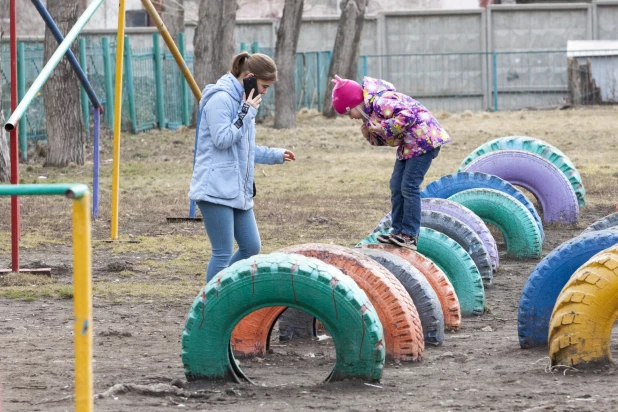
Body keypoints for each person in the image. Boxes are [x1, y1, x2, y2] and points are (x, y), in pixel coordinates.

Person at [190, 52, 296, 282]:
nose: (265, 92)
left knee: (251, 246)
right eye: (264, 86)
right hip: (215, 189)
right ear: (249, 77)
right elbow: (222, 139)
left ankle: (225, 289)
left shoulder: (244, 102)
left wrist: (275, 155)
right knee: (222, 253)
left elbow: (244, 148)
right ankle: (213, 306)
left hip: (237, 188)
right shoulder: (221, 99)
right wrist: (245, 113)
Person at [331, 75, 450, 250]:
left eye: (349, 112)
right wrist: (370, 135)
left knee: (409, 186)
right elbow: (389, 139)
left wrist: (384, 127)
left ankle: (410, 235)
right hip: (408, 145)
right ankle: (398, 232)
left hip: (424, 140)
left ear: (356, 103)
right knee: (396, 185)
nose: (350, 117)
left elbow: (408, 116)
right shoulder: (371, 113)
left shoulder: (381, 101)